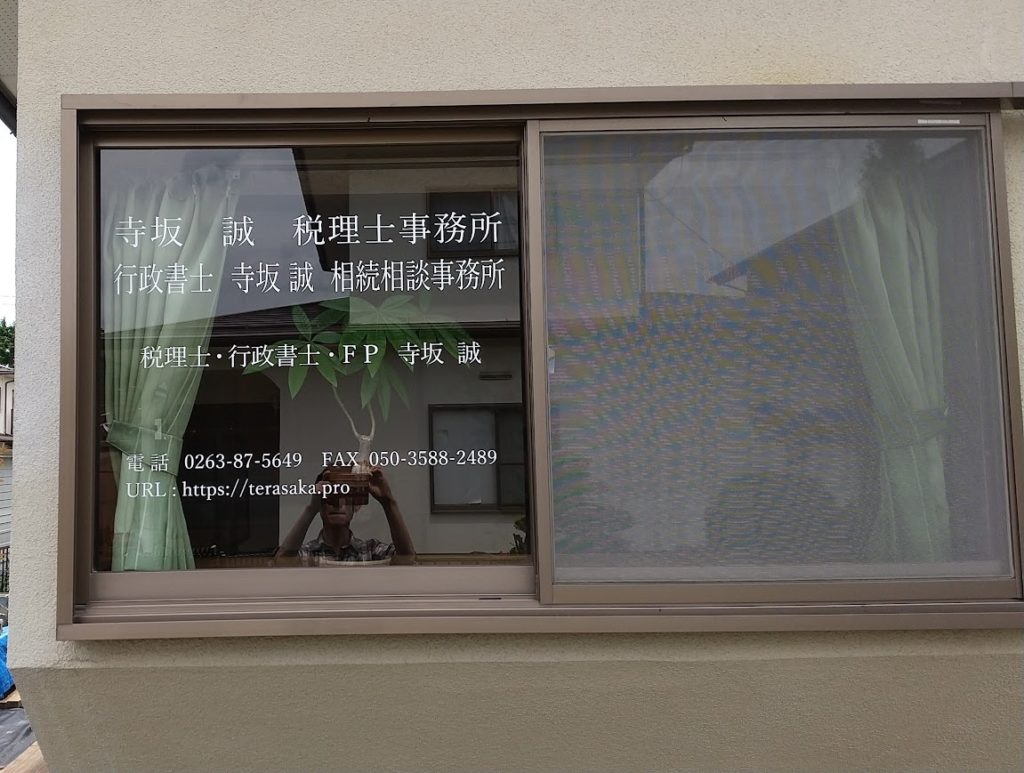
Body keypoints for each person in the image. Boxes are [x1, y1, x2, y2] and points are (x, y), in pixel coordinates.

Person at [276, 466, 415, 564]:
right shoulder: (307, 553)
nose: (338, 503)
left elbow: (407, 559)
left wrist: (388, 502)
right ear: (320, 504)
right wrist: (311, 508)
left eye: (345, 493)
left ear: (356, 505)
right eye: (331, 494)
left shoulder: (369, 550)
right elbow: (281, 563)